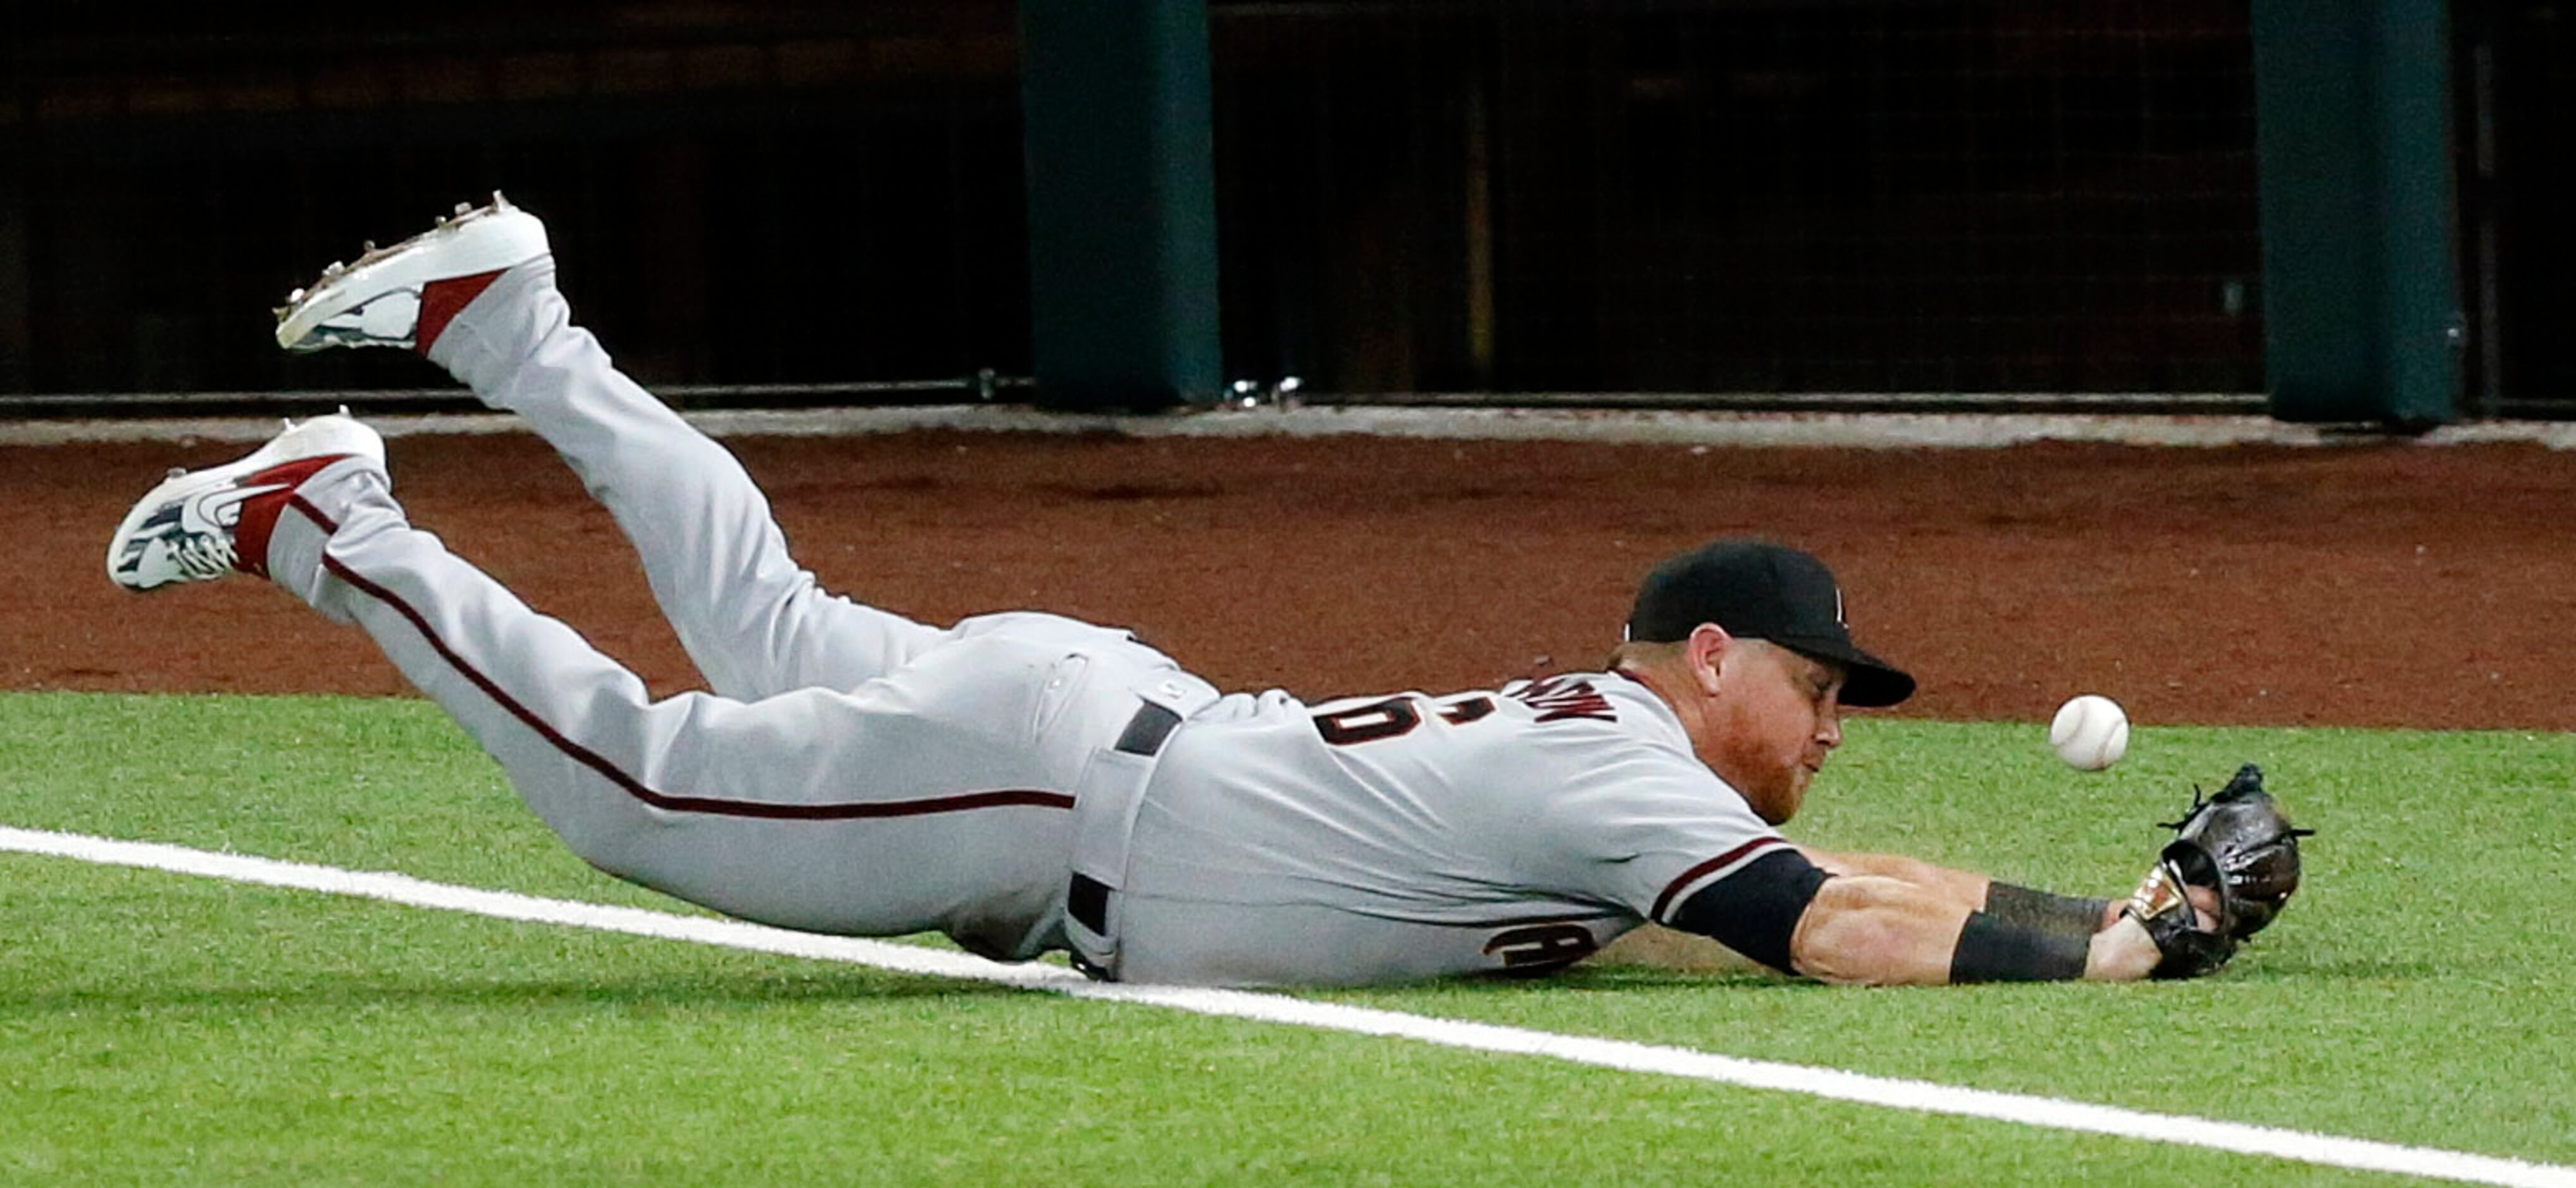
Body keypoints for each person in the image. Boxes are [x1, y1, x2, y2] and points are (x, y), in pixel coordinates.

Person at [106, 195, 2257, 988]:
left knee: (766, 624)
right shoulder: (1634, 782)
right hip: (1056, 800)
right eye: (1817, 688)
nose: (1829, 729)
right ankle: (338, 524)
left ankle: (507, 329)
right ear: (1710, 661)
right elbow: (1831, 923)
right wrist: (2123, 968)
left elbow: (1863, 862)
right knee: (651, 793)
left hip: (1084, 724)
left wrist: (2108, 903)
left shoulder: (1623, 765)